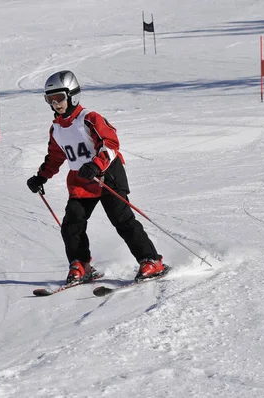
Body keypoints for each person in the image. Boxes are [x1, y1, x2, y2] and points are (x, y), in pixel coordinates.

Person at [27, 70, 169, 284]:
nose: (56, 104)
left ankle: (150, 260)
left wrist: (96, 164)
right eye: (50, 99)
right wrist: (41, 177)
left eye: (59, 98)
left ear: (72, 95)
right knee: (71, 225)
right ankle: (80, 264)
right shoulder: (56, 128)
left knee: (122, 220)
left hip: (108, 174)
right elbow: (55, 156)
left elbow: (110, 143)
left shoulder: (90, 118)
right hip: (81, 181)